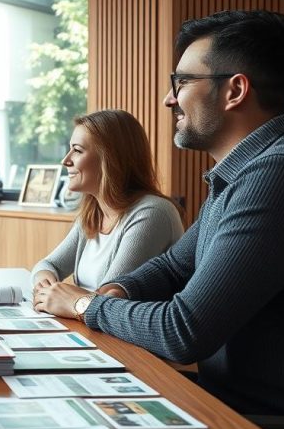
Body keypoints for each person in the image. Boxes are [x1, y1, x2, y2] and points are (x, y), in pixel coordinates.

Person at [34, 10, 284, 416]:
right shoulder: (247, 172)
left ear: (235, 91)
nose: (169, 98)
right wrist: (118, 291)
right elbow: (174, 267)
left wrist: (85, 306)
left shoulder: (283, 175)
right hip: (232, 408)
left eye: (181, 82)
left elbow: (184, 331)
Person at [32, 109, 183, 293]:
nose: (66, 160)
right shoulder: (93, 212)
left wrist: (60, 297)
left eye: (77, 151)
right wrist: (45, 283)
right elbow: (48, 265)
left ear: (110, 159)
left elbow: (108, 298)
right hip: (85, 320)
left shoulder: (153, 213)